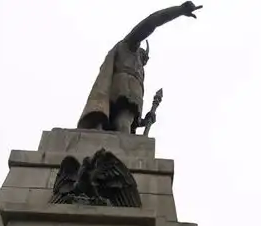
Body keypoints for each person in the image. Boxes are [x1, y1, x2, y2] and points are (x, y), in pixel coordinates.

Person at [77, 2, 203, 134]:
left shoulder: (139, 68)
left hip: (131, 93)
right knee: (123, 124)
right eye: (144, 57)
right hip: (124, 87)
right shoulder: (130, 46)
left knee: (124, 124)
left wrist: (145, 120)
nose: (144, 60)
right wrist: (179, 10)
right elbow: (150, 22)